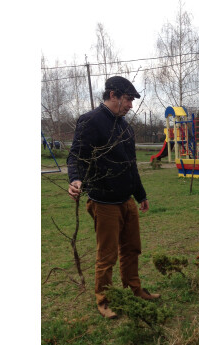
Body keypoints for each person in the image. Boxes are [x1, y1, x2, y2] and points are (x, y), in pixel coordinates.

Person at [67, 76, 160, 319]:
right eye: (128, 99)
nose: (131, 105)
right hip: (104, 201)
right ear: (113, 95)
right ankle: (104, 300)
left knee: (132, 249)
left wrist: (140, 195)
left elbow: (131, 165)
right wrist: (75, 179)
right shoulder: (90, 121)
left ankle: (134, 289)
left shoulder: (125, 128)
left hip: (126, 200)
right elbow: (76, 156)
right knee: (107, 255)